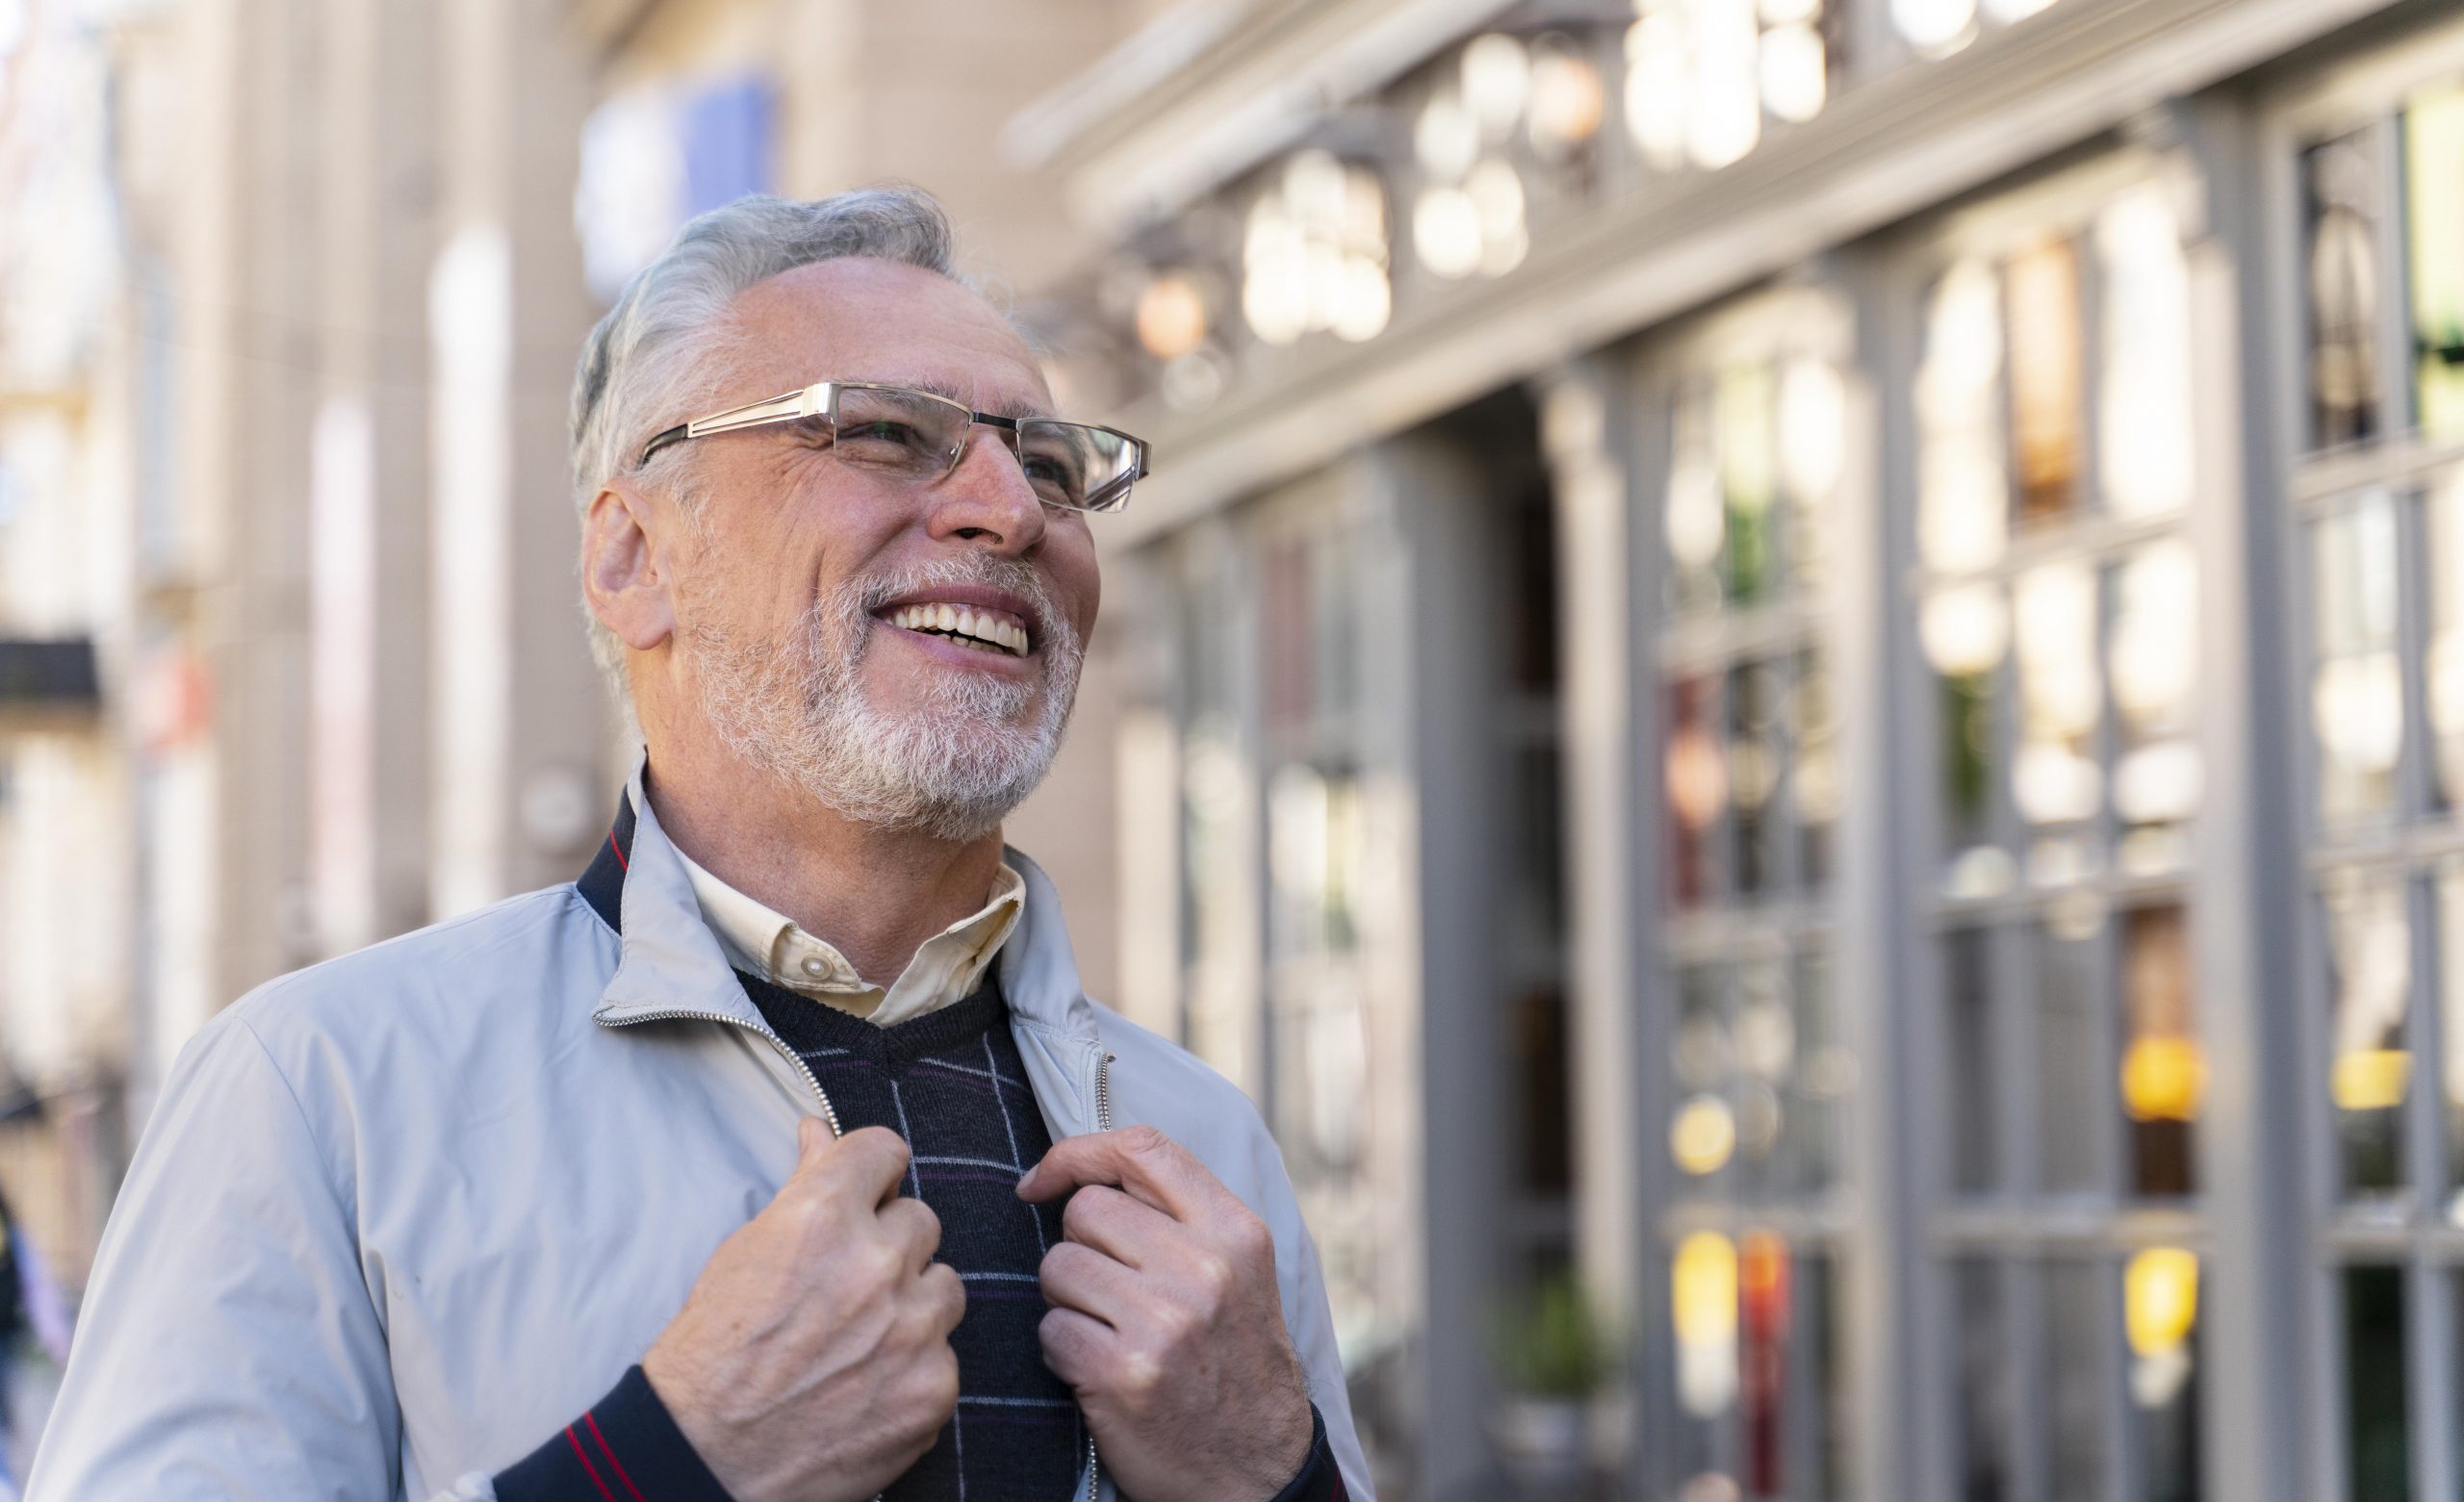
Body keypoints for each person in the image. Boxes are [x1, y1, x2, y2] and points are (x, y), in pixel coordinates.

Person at [28, 188, 1368, 1502]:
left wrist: (1276, 1475)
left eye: (1056, 464)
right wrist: (668, 1460)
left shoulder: (1208, 1148)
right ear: (633, 555)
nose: (1010, 508)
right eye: (889, 433)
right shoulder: (322, 1095)